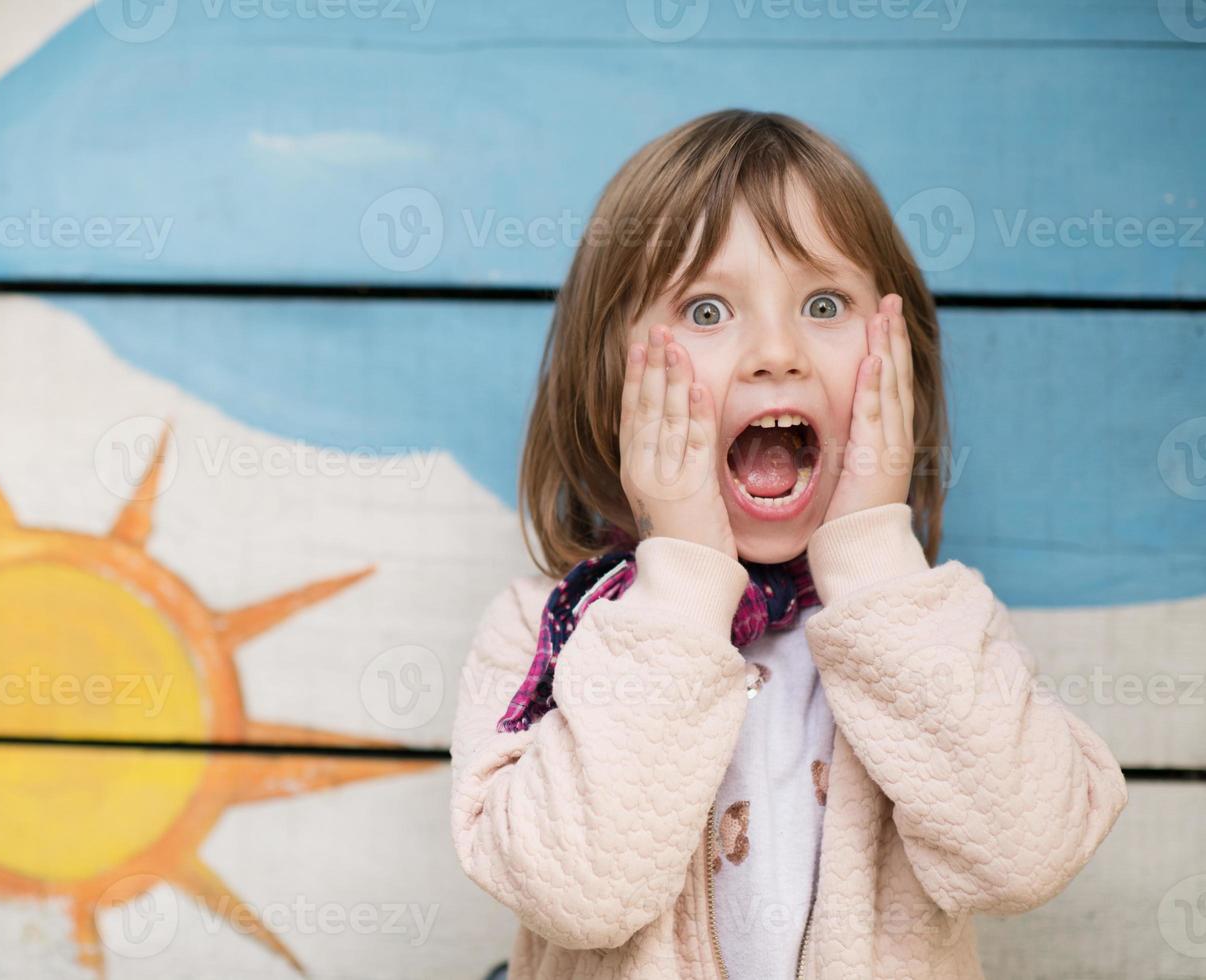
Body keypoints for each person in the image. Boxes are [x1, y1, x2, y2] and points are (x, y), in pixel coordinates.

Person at [449, 109, 1127, 979]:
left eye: (823, 304)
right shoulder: (541, 632)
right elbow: (578, 894)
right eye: (705, 308)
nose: (777, 352)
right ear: (609, 376)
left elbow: (1023, 856)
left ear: (900, 367)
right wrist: (686, 575)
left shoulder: (929, 627)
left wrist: (876, 556)